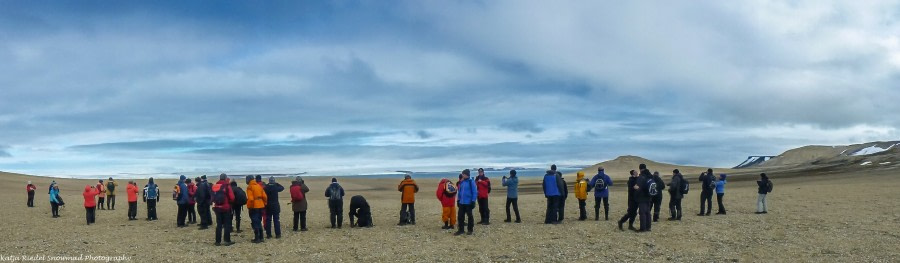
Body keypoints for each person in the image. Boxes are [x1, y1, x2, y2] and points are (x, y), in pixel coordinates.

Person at [212, 174, 236, 246]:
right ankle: (227, 240)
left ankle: (217, 241)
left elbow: (212, 197)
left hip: (217, 207)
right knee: (227, 224)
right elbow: (232, 197)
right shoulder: (227, 185)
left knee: (219, 224)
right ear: (225, 178)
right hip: (226, 207)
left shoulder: (215, 186)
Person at [454, 169, 478, 236]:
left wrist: (473, 201)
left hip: (468, 203)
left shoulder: (471, 182)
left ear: (466, 174)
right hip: (462, 202)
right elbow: (460, 192)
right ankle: (461, 230)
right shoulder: (462, 182)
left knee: (470, 216)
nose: (462, 175)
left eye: (463, 174)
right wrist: (458, 200)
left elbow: (474, 192)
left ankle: (470, 230)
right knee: (460, 217)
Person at [246, 175, 268, 243]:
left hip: (254, 206)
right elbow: (264, 196)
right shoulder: (258, 186)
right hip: (261, 205)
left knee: (255, 222)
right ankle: (261, 237)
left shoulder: (250, 187)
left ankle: (257, 238)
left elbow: (251, 199)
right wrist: (264, 203)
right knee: (259, 221)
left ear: (248, 180)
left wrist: (249, 206)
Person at [634, 166, 654, 232]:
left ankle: (643, 228)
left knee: (642, 213)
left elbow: (639, 188)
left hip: (642, 197)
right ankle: (648, 227)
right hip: (649, 196)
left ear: (640, 169)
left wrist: (635, 192)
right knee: (648, 212)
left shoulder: (641, 177)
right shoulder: (650, 176)